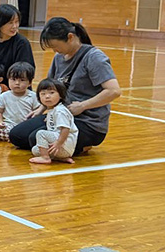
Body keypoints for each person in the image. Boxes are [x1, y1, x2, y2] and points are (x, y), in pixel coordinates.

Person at [9, 18, 122, 155]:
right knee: (17, 135)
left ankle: (82, 145)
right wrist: (41, 109)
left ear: (70, 37)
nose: (54, 50)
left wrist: (82, 106)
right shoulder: (59, 58)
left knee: (35, 138)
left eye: (56, 46)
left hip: (87, 123)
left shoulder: (94, 57)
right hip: (59, 117)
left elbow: (114, 91)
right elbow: (50, 87)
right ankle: (69, 148)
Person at [28, 78, 77, 164]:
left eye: (52, 93)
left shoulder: (60, 111)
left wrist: (58, 143)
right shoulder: (53, 110)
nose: (47, 96)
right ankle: (60, 158)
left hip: (63, 145)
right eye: (43, 94)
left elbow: (65, 129)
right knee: (35, 150)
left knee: (41, 133)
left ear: (61, 95)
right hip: (59, 147)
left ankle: (45, 158)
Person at [0, 62, 38, 142]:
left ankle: (14, 138)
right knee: (2, 131)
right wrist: (0, 123)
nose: (17, 83)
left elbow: (37, 112)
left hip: (25, 126)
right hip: (8, 125)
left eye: (22, 80)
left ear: (30, 83)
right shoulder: (4, 96)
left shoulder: (33, 96)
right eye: (13, 79)